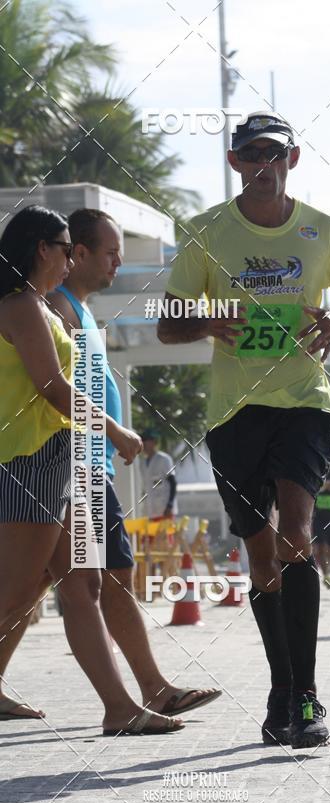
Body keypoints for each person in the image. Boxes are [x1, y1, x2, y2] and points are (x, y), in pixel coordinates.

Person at [158, 110, 330, 748]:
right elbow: (169, 325)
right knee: (260, 553)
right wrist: (206, 324)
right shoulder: (205, 233)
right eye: (251, 155)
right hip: (233, 412)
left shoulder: (322, 228)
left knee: (298, 533)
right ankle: (281, 686)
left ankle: (306, 697)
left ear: (293, 160)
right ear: (234, 163)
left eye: (274, 155)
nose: (264, 166)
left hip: (306, 400)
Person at [0, 205, 183, 734]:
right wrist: (117, 431)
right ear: (44, 249)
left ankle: (120, 708)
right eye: (65, 249)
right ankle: (124, 706)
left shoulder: (38, 306)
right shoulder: (21, 307)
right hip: (34, 463)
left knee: (82, 587)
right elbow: (53, 388)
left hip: (62, 464)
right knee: (15, 595)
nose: (70, 260)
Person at [42, 207, 217, 717]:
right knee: (86, 581)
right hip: (75, 465)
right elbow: (53, 388)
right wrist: (112, 432)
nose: (119, 263)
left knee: (71, 581)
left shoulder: (82, 308)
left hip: (89, 466)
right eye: (111, 252)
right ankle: (141, 695)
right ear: (77, 254)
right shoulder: (60, 307)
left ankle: (151, 689)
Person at [140, 429, 178, 519]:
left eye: (146, 440)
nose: (144, 444)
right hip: (150, 511)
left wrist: (170, 505)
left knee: (165, 533)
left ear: (154, 442)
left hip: (164, 510)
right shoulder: (142, 463)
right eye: (142, 441)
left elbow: (173, 482)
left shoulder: (164, 459)